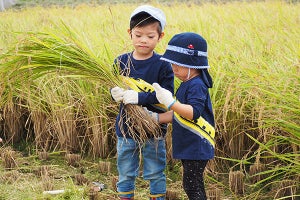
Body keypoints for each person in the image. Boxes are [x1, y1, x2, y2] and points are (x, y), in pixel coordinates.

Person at [110, 5, 174, 200]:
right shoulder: (120, 62)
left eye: (150, 36)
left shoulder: (164, 64)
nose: (143, 40)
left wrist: (139, 98)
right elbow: (111, 87)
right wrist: (114, 93)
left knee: (155, 172)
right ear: (130, 33)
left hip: (153, 129)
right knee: (126, 172)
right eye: (138, 35)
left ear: (160, 36)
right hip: (126, 128)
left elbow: (167, 97)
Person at [152, 32, 215, 200]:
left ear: (192, 64)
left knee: (191, 185)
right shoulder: (187, 83)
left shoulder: (197, 85)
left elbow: (193, 113)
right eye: (172, 65)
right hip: (190, 144)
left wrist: (171, 102)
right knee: (193, 184)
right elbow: (179, 114)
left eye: (178, 65)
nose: (174, 69)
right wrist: (155, 118)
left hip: (197, 144)